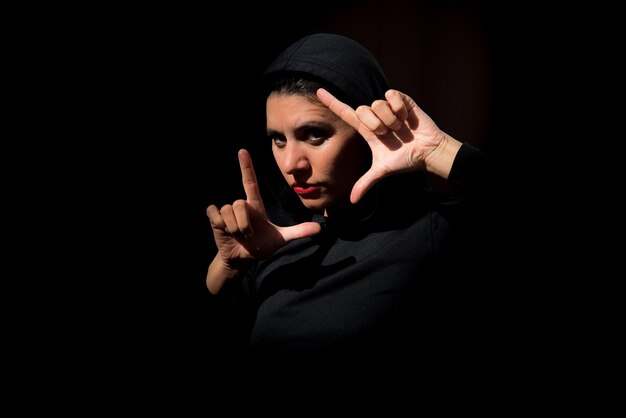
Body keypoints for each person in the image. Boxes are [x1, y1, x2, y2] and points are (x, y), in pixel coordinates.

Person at [205, 33, 493, 363]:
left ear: (367, 131)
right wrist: (227, 269)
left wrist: (441, 152)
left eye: (314, 135)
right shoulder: (272, 239)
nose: (291, 165)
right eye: (278, 139)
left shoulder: (436, 232)